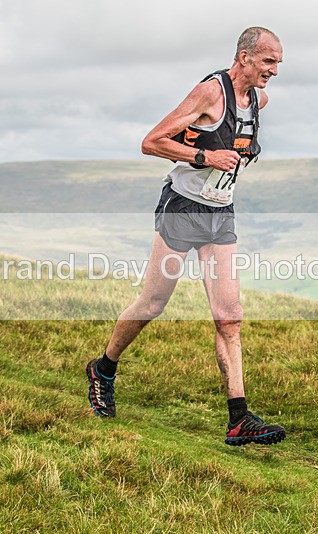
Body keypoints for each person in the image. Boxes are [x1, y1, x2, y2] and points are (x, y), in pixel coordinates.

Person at [86, 27, 285, 446]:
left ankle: (238, 418)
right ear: (245, 57)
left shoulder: (258, 101)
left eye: (278, 63)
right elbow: (151, 141)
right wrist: (204, 156)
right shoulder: (210, 93)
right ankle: (103, 368)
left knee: (229, 316)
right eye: (269, 61)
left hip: (220, 214)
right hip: (182, 209)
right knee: (153, 302)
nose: (274, 71)